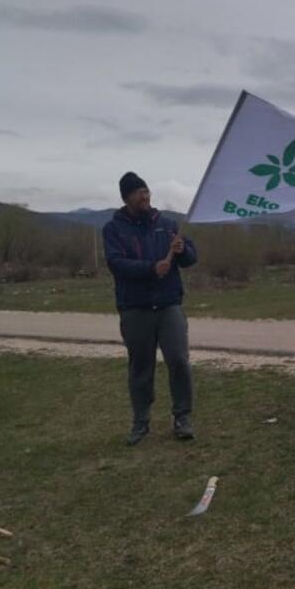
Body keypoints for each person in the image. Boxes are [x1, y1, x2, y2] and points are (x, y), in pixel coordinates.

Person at [103, 172, 198, 445]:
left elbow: (191, 259)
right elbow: (116, 264)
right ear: (126, 197)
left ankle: (183, 418)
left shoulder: (167, 224)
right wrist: (150, 268)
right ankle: (141, 421)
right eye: (138, 192)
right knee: (141, 368)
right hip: (135, 308)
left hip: (169, 305)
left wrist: (181, 251)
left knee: (179, 360)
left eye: (147, 191)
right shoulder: (114, 229)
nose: (145, 196)